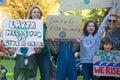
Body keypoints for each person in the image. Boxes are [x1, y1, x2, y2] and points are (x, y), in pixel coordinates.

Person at [79, 11, 110, 80]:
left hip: (95, 62)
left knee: (95, 78)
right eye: (89, 26)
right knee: (86, 78)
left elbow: (103, 24)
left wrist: (110, 12)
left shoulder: (97, 36)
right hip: (85, 63)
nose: (91, 27)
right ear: (86, 28)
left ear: (95, 27)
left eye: (93, 26)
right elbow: (70, 31)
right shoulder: (81, 37)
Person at [27, 5, 51, 80]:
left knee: (45, 76)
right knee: (31, 76)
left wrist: (48, 39)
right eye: (34, 12)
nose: (36, 14)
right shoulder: (26, 25)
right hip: (31, 54)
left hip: (44, 53)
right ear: (31, 14)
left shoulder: (44, 25)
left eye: (38, 12)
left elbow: (49, 39)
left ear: (40, 14)